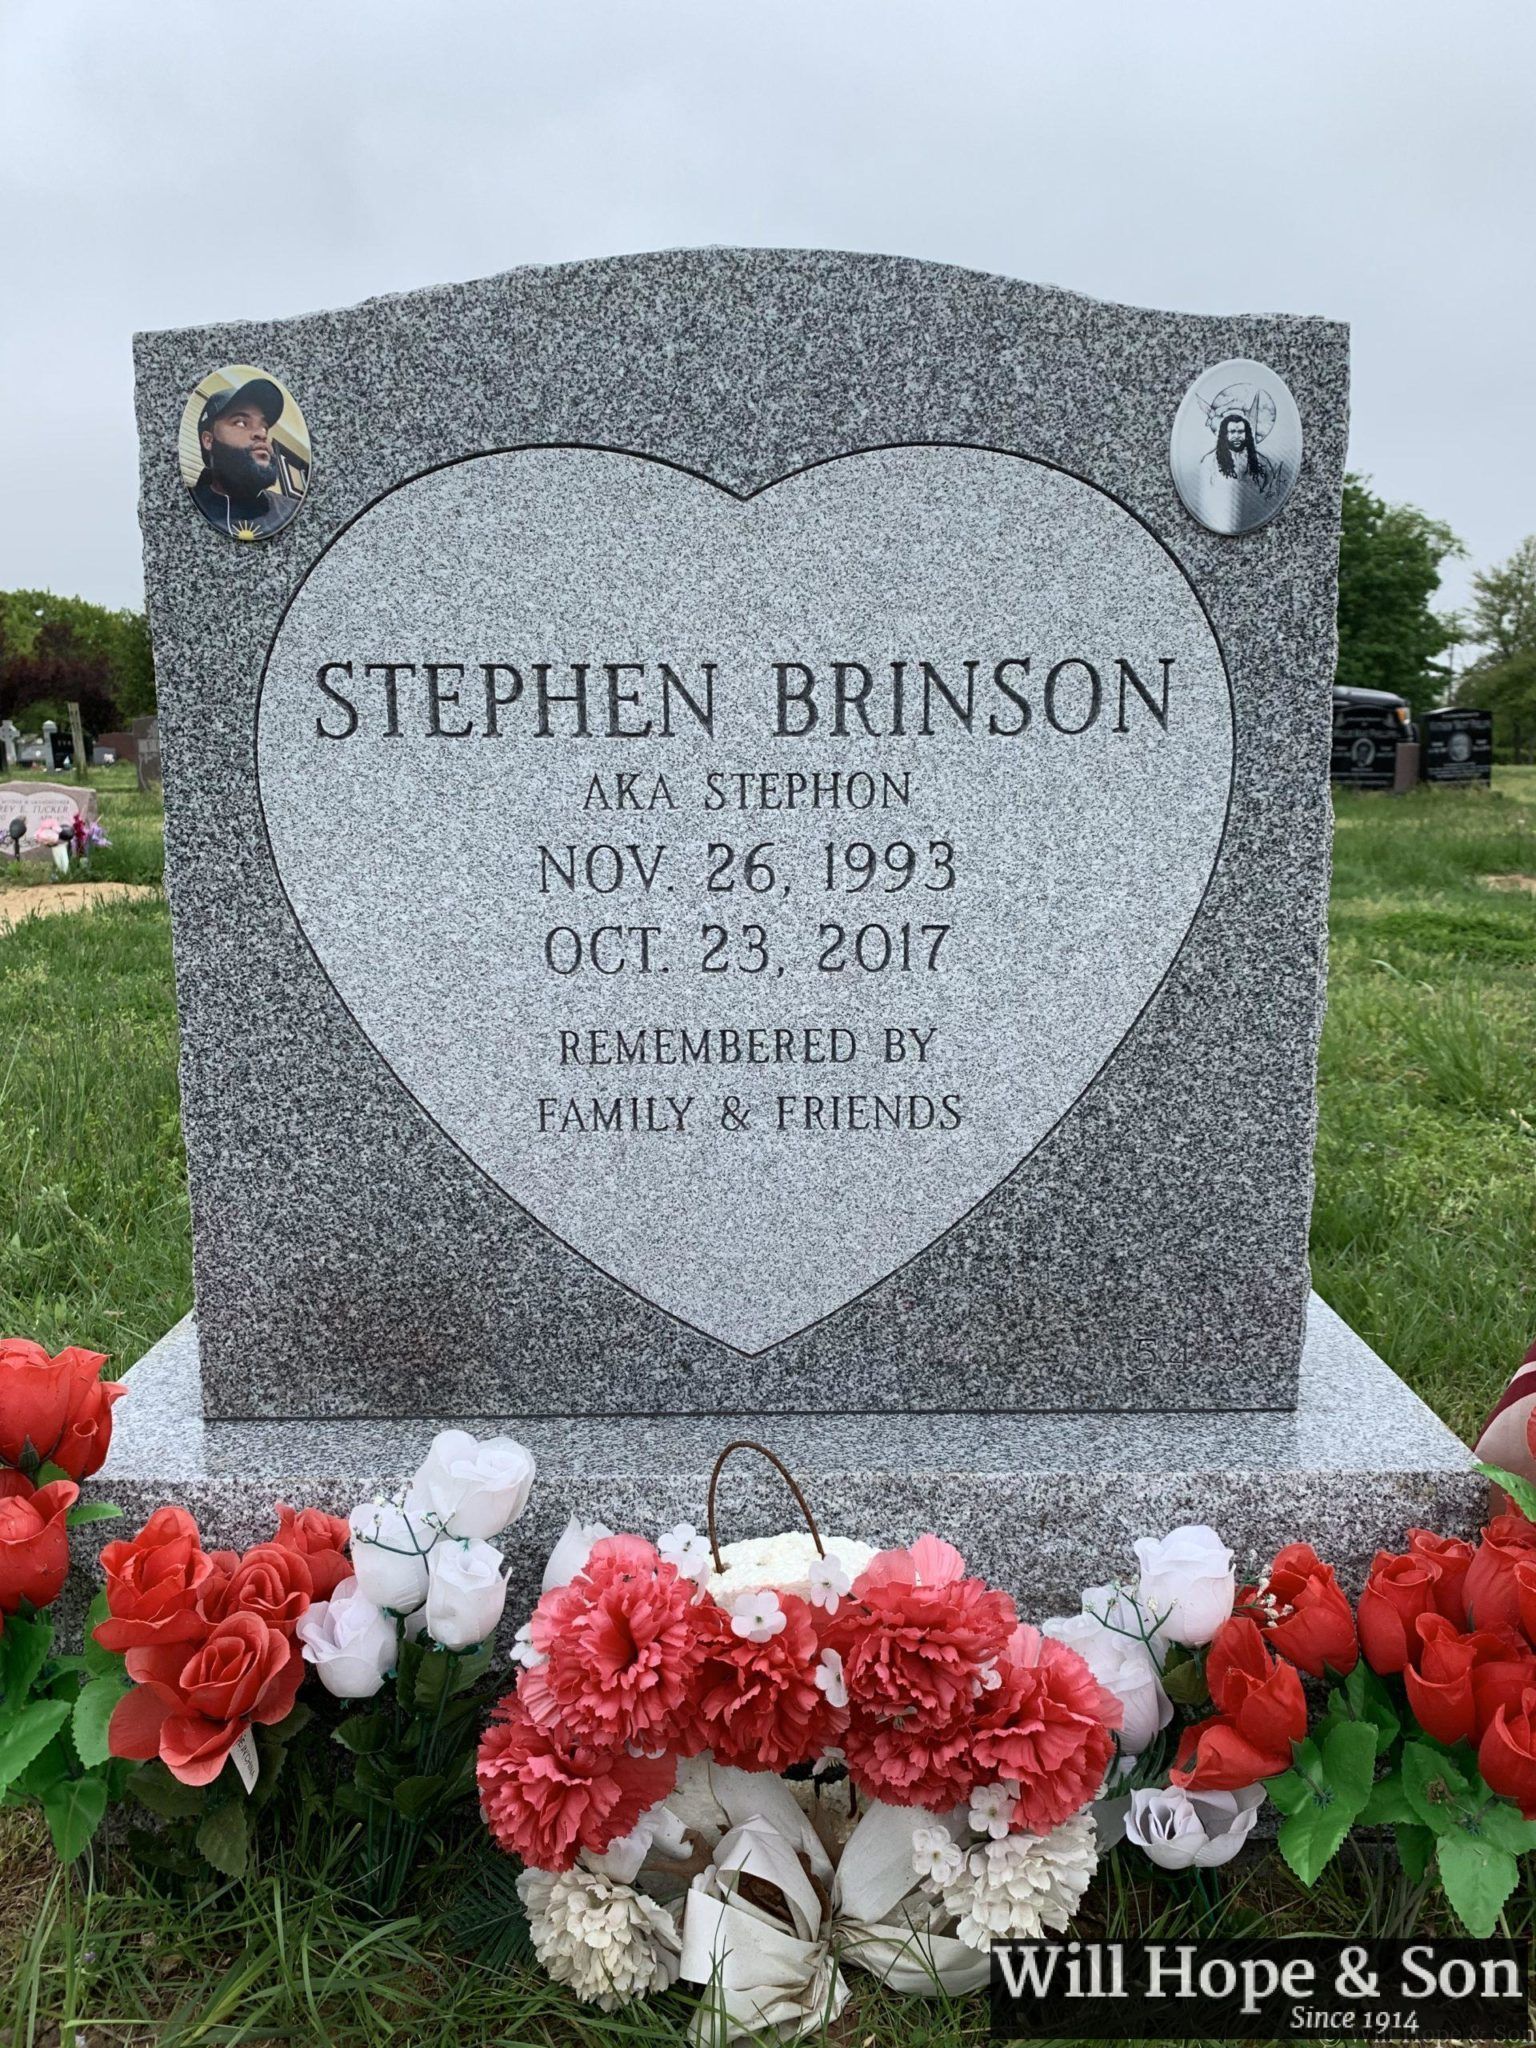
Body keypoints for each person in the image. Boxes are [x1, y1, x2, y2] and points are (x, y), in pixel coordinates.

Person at [189, 377, 299, 539]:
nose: (261, 433)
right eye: (241, 423)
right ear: (209, 440)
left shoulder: (289, 509)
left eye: (264, 427)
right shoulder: (185, 508)